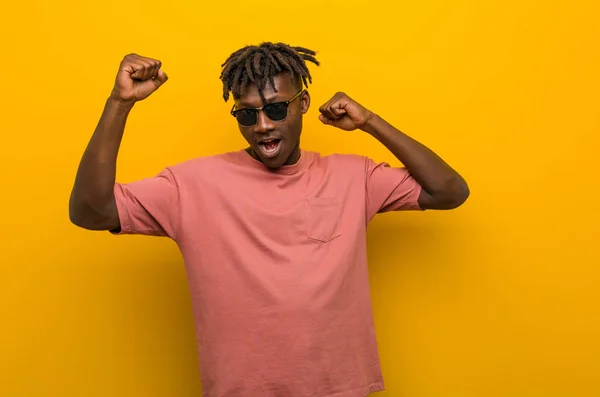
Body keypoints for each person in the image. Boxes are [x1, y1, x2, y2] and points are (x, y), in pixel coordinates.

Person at [69, 42, 469, 396]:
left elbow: (448, 191)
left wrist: (370, 122)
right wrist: (119, 104)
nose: (263, 126)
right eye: (247, 115)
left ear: (304, 103)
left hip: (338, 389)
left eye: (277, 108)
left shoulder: (354, 177)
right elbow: (90, 211)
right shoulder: (191, 185)